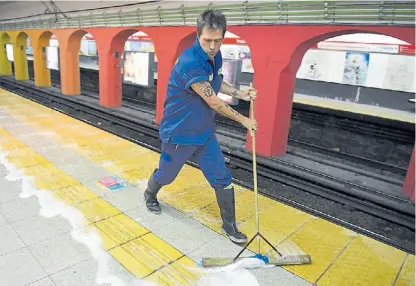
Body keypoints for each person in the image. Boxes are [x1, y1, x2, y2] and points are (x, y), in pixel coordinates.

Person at [143, 9, 258, 244]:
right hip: (178, 134)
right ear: (198, 35)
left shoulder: (215, 56)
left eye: (218, 40)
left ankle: (229, 225)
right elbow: (213, 100)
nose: (213, 46)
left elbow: (216, 82)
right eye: (207, 40)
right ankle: (150, 193)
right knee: (166, 175)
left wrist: (240, 93)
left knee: (222, 177)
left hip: (204, 133)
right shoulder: (190, 62)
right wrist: (245, 121)